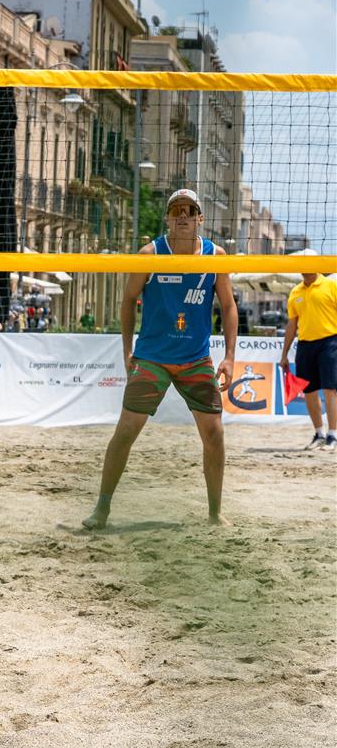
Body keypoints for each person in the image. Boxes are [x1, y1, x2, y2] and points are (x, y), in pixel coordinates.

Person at [83, 189, 237, 529]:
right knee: (126, 431)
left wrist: (229, 356)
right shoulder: (150, 253)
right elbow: (128, 300)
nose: (182, 216)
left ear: (200, 218)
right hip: (152, 357)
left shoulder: (215, 255)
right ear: (167, 218)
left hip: (195, 359)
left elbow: (228, 307)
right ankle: (101, 509)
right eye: (175, 210)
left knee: (214, 434)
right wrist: (127, 349)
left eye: (189, 210)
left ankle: (214, 513)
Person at [280, 272, 337, 450]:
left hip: (330, 341)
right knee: (308, 390)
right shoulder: (295, 292)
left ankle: (333, 436)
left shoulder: (331, 285)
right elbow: (292, 324)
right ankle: (319, 434)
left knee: (330, 389)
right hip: (305, 344)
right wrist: (284, 354)